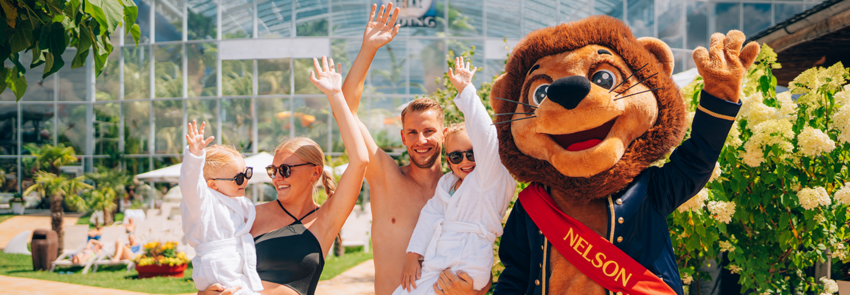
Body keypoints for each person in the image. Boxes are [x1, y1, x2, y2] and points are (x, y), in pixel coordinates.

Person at [340, 4, 489, 294]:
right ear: (403, 137)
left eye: (429, 131)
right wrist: (369, 48)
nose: (421, 140)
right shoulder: (385, 178)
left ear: (443, 134)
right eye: (412, 132)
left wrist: (475, 292)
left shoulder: (465, 189)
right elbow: (346, 110)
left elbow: (480, 256)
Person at [200, 56, 370, 295]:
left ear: (315, 172)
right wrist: (205, 292)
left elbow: (360, 160)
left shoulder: (325, 219)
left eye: (285, 170)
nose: (277, 177)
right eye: (273, 170)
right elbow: (217, 259)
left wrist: (335, 95)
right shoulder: (251, 214)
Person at [395, 58, 516, 295]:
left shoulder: (488, 178)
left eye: (472, 153)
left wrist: (465, 90)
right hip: (440, 261)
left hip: (467, 261)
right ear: (448, 160)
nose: (466, 161)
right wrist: (412, 255)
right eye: (456, 156)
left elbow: (485, 135)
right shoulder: (447, 185)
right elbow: (430, 216)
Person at [180, 120, 262, 295]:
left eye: (246, 173)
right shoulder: (202, 202)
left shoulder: (238, 202)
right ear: (212, 185)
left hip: (231, 264)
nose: (245, 181)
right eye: (238, 178)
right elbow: (191, 183)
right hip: (217, 265)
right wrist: (194, 156)